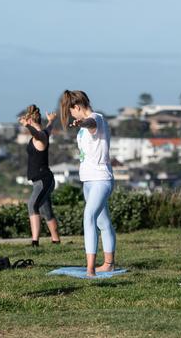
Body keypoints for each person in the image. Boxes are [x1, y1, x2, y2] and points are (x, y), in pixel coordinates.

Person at [60, 90, 116, 277]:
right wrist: (81, 124)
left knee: (89, 217)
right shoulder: (84, 126)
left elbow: (91, 123)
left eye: (72, 112)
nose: (72, 116)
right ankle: (109, 264)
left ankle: (90, 269)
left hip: (101, 179)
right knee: (102, 221)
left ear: (77, 107)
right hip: (88, 180)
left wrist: (82, 122)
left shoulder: (96, 119)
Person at [19, 104, 61, 246]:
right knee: (45, 209)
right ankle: (56, 241)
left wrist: (27, 127)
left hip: (44, 180)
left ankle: (35, 242)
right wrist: (52, 120)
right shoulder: (44, 133)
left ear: (30, 120)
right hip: (39, 181)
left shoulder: (39, 136)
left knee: (32, 205)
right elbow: (48, 128)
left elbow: (35, 133)